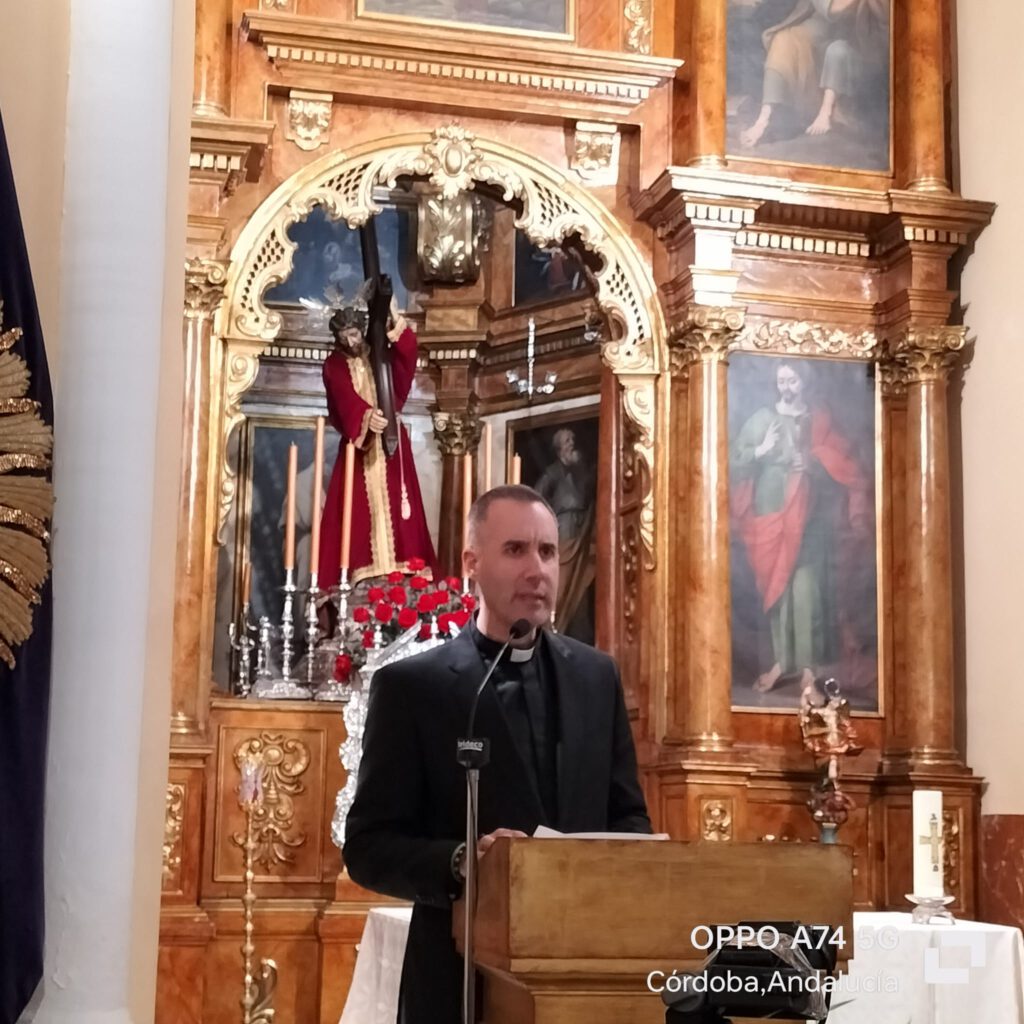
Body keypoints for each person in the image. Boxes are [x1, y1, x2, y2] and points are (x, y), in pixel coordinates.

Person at [342, 485, 651, 1024]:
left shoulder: (596, 678)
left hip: (583, 974)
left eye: (548, 552)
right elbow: (369, 846)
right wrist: (464, 863)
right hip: (459, 978)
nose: (537, 569)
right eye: (515, 550)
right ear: (472, 563)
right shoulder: (415, 688)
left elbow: (628, 818)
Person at [730, 360, 870, 693]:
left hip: (809, 519)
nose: (787, 387)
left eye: (792, 380)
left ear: (803, 383)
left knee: (807, 591)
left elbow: (845, 464)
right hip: (770, 517)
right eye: (782, 381)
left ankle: (808, 667)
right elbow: (735, 461)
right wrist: (760, 452)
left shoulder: (818, 421)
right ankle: (783, 662)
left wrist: (813, 462)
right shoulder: (762, 420)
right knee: (777, 594)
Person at [316, 295, 438, 588]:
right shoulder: (334, 364)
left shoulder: (379, 357)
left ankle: (404, 573)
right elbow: (342, 397)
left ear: (362, 329)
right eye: (343, 336)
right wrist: (366, 417)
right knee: (357, 516)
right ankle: (366, 575)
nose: (350, 341)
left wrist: (395, 317)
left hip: (392, 446)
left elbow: (407, 356)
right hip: (359, 451)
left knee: (400, 507)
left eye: (354, 333)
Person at [739, 0, 888, 147]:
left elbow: (886, 15)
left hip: (861, 37)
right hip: (819, 32)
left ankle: (826, 113)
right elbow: (832, 11)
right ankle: (763, 119)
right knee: (784, 40)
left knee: (838, 50)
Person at [534, 427, 596, 642]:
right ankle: (554, 626)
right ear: (559, 447)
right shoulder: (552, 472)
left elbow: (590, 490)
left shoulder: (581, 470)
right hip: (563, 528)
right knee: (561, 582)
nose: (572, 444)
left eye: (573, 439)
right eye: (568, 440)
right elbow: (536, 497)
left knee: (580, 584)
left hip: (581, 530)